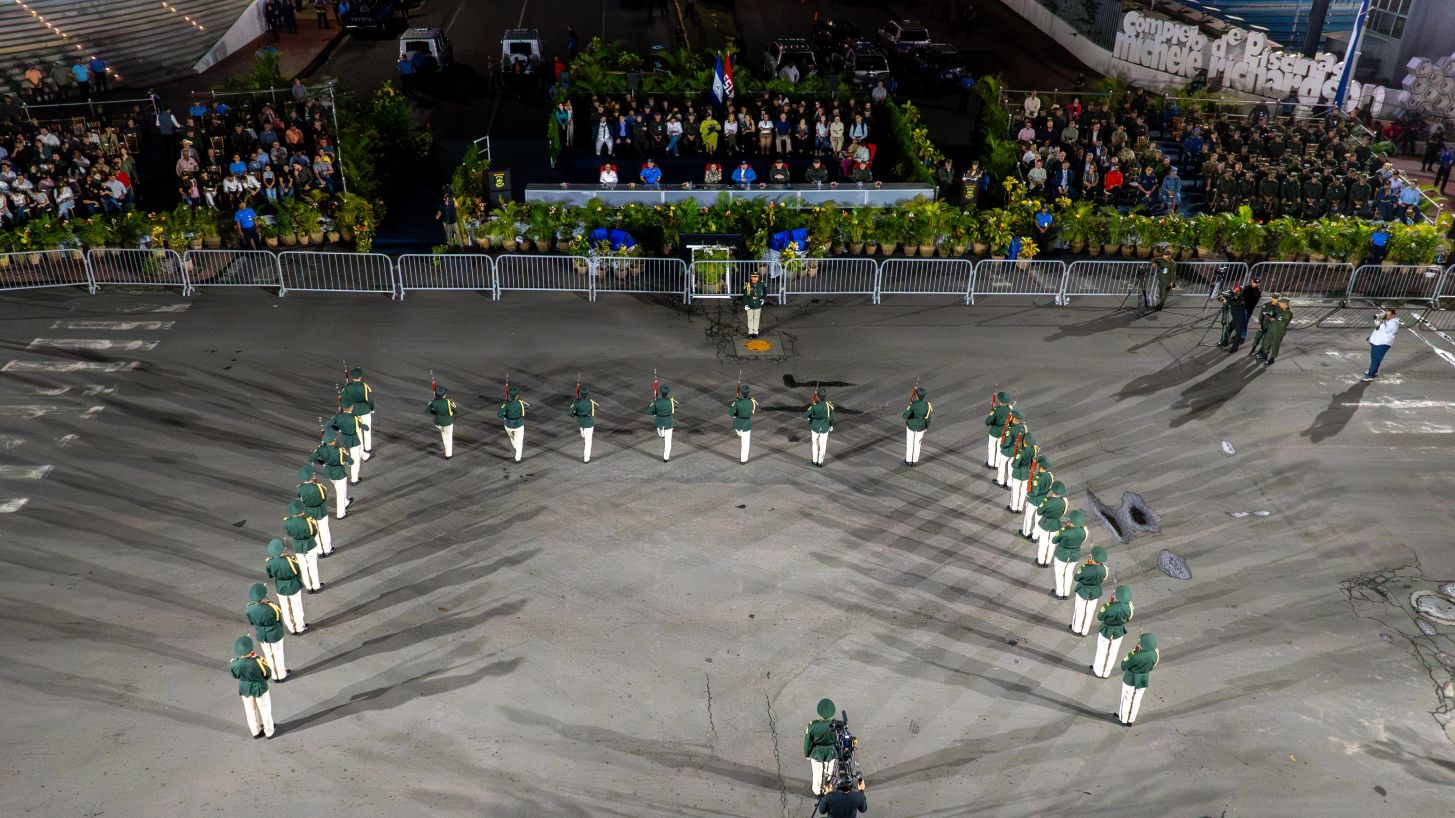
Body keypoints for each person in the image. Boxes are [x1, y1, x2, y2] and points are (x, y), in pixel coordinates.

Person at [230, 636, 275, 739]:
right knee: (265, 710)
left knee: (250, 710)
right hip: (259, 687)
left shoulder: (235, 664)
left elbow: (235, 675)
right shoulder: (258, 661)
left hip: (245, 688)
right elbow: (267, 673)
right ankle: (269, 731)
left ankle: (255, 732)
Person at [245, 583, 289, 681]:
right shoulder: (272, 607)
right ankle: (281, 675)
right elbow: (279, 620)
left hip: (261, 634)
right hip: (274, 633)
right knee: (278, 654)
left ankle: (273, 675)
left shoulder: (249, 608)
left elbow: (252, 621)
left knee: (268, 655)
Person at [264, 538, 306, 635]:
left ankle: (291, 628)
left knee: (285, 608)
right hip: (293, 585)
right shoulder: (290, 560)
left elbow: (270, 575)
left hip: (280, 586)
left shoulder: (269, 562)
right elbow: (297, 572)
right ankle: (300, 627)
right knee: (297, 606)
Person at [1116, 633, 1159, 726]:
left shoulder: (1136, 655)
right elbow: (1153, 666)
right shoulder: (1155, 654)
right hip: (1143, 678)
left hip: (1131, 678)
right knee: (1137, 699)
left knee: (1126, 699)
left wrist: (1133, 652)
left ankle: (1123, 719)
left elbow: (1123, 665)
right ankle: (1131, 720)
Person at [1092, 585, 1134, 678]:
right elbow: (1128, 619)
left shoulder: (1108, 606)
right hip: (1119, 631)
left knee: (1102, 651)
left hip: (1106, 630)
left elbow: (1100, 617)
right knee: (1113, 653)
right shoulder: (1129, 608)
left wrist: (1110, 605)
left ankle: (1098, 671)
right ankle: (1107, 673)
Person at [310, 430, 352, 518]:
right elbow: (351, 461)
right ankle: (341, 514)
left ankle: (346, 502)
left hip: (329, 472)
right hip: (339, 473)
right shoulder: (339, 450)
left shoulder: (321, 449)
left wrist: (323, 462)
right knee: (340, 493)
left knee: (339, 489)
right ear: (333, 439)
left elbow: (312, 458)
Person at [283, 500, 323, 591]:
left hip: (297, 545)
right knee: (312, 566)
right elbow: (314, 531)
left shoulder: (287, 522)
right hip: (309, 544)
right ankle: (316, 586)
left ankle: (308, 587)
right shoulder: (308, 521)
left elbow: (289, 533)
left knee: (303, 567)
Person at [1071, 546, 1110, 636]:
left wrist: (1088, 566)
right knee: (1090, 612)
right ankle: (1085, 631)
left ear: (1092, 557)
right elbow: (1103, 578)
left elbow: (1076, 578)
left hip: (1083, 591)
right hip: (1095, 592)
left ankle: (1076, 629)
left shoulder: (1085, 568)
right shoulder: (1104, 569)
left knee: (1079, 610)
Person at [804, 698, 839, 796]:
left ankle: (818, 791)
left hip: (817, 752)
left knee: (817, 773)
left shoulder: (812, 726)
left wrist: (807, 754)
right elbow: (837, 741)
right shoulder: (835, 726)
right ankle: (828, 789)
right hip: (831, 752)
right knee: (829, 771)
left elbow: (808, 742)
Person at [294, 466, 331, 555]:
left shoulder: (300, 488)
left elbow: (301, 499)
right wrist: (318, 483)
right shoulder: (318, 486)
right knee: (324, 530)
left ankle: (319, 551)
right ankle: (327, 550)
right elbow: (324, 497)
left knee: (314, 532)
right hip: (320, 511)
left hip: (308, 512)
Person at [1051, 509, 1087, 598]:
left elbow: (1054, 540)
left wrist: (1065, 529)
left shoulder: (1064, 531)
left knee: (1059, 574)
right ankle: (1066, 593)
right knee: (1069, 573)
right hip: (1074, 555)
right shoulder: (1084, 532)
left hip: (1062, 555)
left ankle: (1059, 593)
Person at [329, 405, 368, 484]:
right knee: (355, 460)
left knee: (345, 455)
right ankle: (354, 479)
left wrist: (339, 428)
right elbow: (365, 428)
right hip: (353, 441)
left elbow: (329, 425)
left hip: (343, 440)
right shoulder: (354, 418)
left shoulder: (337, 417)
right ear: (351, 408)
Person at [341, 367, 376, 456]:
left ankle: (359, 449)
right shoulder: (364, 386)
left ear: (352, 377)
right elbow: (370, 399)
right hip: (365, 410)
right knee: (367, 430)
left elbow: (344, 399)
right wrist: (371, 409)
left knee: (357, 431)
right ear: (360, 377)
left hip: (353, 412)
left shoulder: (347, 387)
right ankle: (368, 449)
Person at [642, 384, 678, 461]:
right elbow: (676, 405)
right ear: (668, 392)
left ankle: (662, 433)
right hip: (669, 422)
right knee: (668, 441)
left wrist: (655, 411)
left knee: (661, 434)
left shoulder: (657, 402)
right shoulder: (671, 401)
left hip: (660, 422)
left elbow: (648, 411)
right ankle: (666, 457)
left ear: (661, 392)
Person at [1363, 307, 1399, 381]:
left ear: (1393, 315)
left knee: (1375, 359)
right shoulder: (1387, 320)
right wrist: (1378, 320)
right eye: (1386, 314)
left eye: (1388, 314)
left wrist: (1382, 321)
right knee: (1375, 358)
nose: (1386, 315)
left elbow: (1385, 330)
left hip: (1382, 344)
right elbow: (1378, 326)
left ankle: (1370, 375)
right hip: (1377, 342)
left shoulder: (1394, 323)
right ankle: (1374, 371)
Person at [1021, 463, 1056, 539]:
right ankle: (1035, 537)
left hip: (1034, 501)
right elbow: (1049, 488)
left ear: (1040, 467)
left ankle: (1026, 532)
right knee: (1038, 520)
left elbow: (1035, 492)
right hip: (1042, 501)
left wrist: (1028, 494)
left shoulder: (1038, 478)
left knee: (1028, 517)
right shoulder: (1050, 476)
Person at [1007, 431, 1038, 511]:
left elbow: (1015, 464)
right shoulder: (1033, 450)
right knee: (1023, 491)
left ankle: (1013, 507)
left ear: (1024, 441)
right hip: (1027, 473)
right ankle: (1020, 508)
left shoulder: (1021, 452)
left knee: (1015, 490)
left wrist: (1013, 464)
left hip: (1018, 473)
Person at [901, 387, 932, 466]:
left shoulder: (913, 404)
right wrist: (926, 427)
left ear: (917, 395)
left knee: (910, 442)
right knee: (918, 444)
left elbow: (905, 416)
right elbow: (928, 418)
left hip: (911, 425)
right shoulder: (928, 405)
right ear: (924, 396)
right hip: (921, 427)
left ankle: (908, 460)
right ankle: (914, 461)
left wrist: (909, 407)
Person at [1256, 297, 1292, 365]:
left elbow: (1282, 323)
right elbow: (1274, 314)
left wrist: (1274, 319)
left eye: (1281, 303)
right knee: (1267, 342)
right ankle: (1265, 354)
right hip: (1271, 328)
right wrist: (1269, 315)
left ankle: (1272, 358)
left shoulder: (1288, 313)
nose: (1279, 304)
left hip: (1279, 331)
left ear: (1286, 304)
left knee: (1275, 344)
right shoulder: (1279, 309)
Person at [498, 386, 528, 463]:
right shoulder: (520, 403)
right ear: (517, 395)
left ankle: (516, 448)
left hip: (508, 424)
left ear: (509, 395)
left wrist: (506, 415)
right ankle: (518, 458)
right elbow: (528, 406)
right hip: (519, 424)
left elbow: (499, 414)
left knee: (512, 438)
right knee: (519, 441)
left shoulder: (507, 404)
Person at [568, 385, 597, 463]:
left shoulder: (576, 402)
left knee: (584, 435)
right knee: (588, 442)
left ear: (580, 393)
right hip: (588, 423)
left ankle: (583, 434)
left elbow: (569, 413)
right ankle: (586, 458)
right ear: (587, 393)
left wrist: (577, 413)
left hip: (581, 422)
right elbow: (597, 407)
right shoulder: (590, 402)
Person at [729, 384, 758, 464]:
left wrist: (737, 404)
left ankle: (740, 434)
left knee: (740, 434)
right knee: (745, 443)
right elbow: (755, 411)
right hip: (746, 425)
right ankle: (743, 460)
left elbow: (730, 413)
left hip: (737, 424)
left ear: (741, 393)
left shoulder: (737, 402)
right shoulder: (752, 402)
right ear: (749, 393)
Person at [427, 385, 458, 458]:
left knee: (444, 435)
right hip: (448, 422)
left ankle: (446, 448)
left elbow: (428, 410)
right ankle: (448, 454)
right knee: (449, 437)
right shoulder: (448, 402)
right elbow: (455, 411)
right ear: (444, 395)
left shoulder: (433, 402)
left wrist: (436, 412)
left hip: (438, 422)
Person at [984, 391, 1011, 468]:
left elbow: (987, 422)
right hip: (1004, 431)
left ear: (999, 400)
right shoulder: (1010, 409)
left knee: (992, 447)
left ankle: (991, 463)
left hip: (994, 431)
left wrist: (991, 423)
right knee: (1000, 448)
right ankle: (997, 464)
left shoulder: (996, 410)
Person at [1216, 285, 1247, 352]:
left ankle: (1234, 348)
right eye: (1235, 290)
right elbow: (1223, 296)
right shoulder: (1233, 296)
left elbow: (1235, 303)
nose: (1235, 292)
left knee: (1238, 334)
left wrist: (1226, 301)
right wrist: (1221, 297)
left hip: (1240, 319)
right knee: (1228, 329)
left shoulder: (1242, 299)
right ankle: (1224, 343)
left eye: (1237, 291)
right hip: (1235, 319)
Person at [743, 270, 767, 338]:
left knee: (756, 319)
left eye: (756, 277)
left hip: (758, 304)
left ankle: (755, 332)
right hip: (750, 304)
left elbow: (765, 291)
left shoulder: (761, 284)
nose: (754, 278)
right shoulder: (747, 284)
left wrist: (763, 298)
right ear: (751, 277)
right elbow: (745, 295)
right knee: (750, 319)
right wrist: (746, 304)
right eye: (753, 277)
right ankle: (750, 332)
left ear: (758, 278)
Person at [1239, 276, 1262, 341]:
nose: (1255, 284)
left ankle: (1242, 336)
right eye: (1254, 282)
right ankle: (1238, 334)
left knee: (1244, 322)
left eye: (1256, 283)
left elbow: (1253, 301)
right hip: (1242, 307)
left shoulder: (1257, 291)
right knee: (1239, 322)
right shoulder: (1247, 288)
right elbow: (1242, 296)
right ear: (1252, 281)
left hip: (1248, 308)